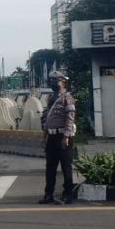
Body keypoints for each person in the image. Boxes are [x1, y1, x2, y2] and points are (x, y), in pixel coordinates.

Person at [39, 71, 76, 205]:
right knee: (50, 167)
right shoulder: (51, 98)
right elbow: (47, 119)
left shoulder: (67, 98)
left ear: (63, 82)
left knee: (66, 166)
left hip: (63, 136)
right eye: (51, 81)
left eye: (56, 80)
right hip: (51, 136)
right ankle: (48, 194)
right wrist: (44, 136)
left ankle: (67, 195)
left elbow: (70, 117)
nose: (53, 83)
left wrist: (66, 136)